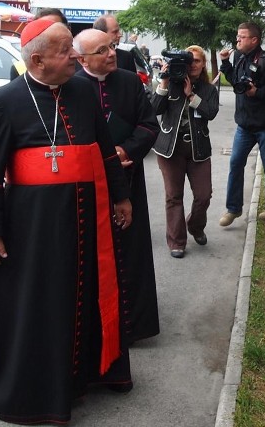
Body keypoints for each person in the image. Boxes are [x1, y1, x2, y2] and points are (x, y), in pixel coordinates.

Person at [0, 17, 134, 424]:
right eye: (65, 51)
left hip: (86, 219)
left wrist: (121, 196)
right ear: (38, 60)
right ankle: (40, 391)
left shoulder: (81, 90)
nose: (74, 56)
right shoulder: (4, 101)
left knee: (87, 294)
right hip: (32, 228)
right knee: (40, 305)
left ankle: (93, 373)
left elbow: (104, 151)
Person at [74, 28, 161, 343]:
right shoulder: (71, 87)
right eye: (102, 50)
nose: (111, 53)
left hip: (128, 181)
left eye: (111, 47)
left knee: (130, 253)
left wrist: (124, 151)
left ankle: (132, 326)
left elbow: (149, 125)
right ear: (81, 58)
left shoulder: (128, 81)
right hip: (87, 188)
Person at [150, 45, 219, 257]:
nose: (193, 66)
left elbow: (210, 113)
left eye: (197, 61)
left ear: (203, 64)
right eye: (189, 62)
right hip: (170, 149)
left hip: (198, 149)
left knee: (203, 195)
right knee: (174, 196)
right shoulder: (171, 84)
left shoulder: (208, 90)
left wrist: (191, 96)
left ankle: (195, 226)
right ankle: (176, 241)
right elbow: (154, 110)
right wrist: (163, 82)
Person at [218, 22, 265, 226]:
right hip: (245, 126)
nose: (237, 39)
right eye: (237, 36)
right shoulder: (240, 57)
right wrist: (225, 63)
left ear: (254, 40)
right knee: (235, 163)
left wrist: (258, 92)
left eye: (242, 36)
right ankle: (233, 209)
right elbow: (235, 81)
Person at [10, 8, 69, 80]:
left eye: (54, 27)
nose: (49, 32)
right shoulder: (20, 68)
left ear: (67, 30)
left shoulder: (80, 63)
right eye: (43, 28)